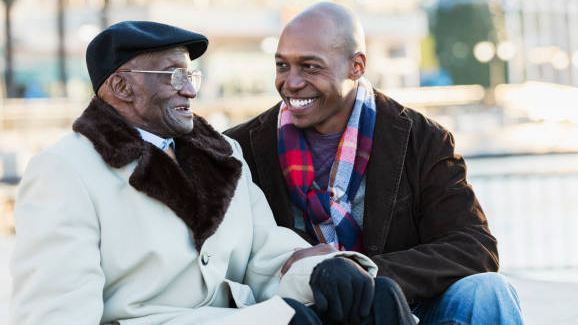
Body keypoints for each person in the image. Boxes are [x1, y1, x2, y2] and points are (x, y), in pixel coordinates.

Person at [10, 21, 416, 325]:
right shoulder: (65, 171)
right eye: (174, 75)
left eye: (191, 75)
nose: (190, 89)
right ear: (121, 87)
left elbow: (264, 253)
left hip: (243, 318)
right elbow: (54, 314)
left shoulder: (223, 154)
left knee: (375, 298)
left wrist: (324, 271)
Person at [225, 2, 525, 324]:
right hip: (305, 310)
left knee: (489, 291)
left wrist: (361, 273)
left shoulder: (423, 139)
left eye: (310, 67)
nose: (292, 82)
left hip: (405, 303)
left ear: (357, 66)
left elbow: (474, 247)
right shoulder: (239, 149)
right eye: (282, 66)